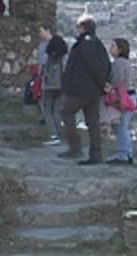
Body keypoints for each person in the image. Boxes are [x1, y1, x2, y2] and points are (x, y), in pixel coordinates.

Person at [58, 15, 111, 165]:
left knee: (66, 112)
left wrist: (101, 82)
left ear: (83, 28)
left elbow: (92, 66)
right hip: (94, 90)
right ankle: (96, 153)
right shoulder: (98, 43)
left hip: (81, 89)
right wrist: (103, 84)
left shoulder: (86, 44)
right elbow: (105, 65)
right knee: (92, 120)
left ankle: (75, 147)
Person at [105, 37, 136, 164]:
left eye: (113, 46)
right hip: (129, 97)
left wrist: (108, 86)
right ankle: (128, 152)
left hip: (122, 98)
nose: (110, 48)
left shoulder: (119, 63)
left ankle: (122, 154)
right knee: (123, 126)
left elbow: (117, 81)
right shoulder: (126, 63)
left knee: (119, 126)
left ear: (120, 49)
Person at [39, 28, 68, 146]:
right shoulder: (65, 58)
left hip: (49, 86)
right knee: (57, 110)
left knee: (47, 110)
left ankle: (53, 134)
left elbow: (43, 70)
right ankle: (58, 134)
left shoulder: (49, 57)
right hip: (62, 86)